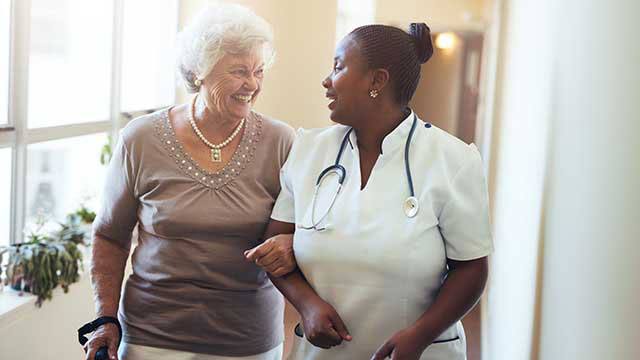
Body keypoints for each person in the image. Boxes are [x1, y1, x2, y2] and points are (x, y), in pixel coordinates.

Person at [248, 23, 493, 360]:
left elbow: (471, 268)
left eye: (337, 67)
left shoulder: (453, 160)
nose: (326, 80)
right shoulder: (308, 150)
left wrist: (420, 336)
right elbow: (275, 251)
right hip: (322, 352)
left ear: (377, 81)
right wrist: (307, 305)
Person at [84, 4, 296, 360]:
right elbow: (109, 234)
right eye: (240, 71)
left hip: (246, 339)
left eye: (259, 71)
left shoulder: (281, 141)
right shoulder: (141, 139)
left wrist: (292, 242)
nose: (253, 84)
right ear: (200, 71)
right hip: (151, 336)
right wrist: (105, 318)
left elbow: (307, 227)